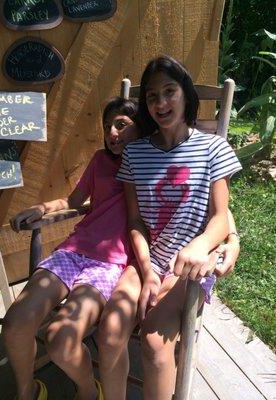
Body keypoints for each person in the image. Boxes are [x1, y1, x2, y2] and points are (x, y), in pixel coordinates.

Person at [116, 55, 242, 400]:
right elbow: (135, 220)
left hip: (191, 266)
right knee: (112, 327)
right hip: (147, 258)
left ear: (186, 94)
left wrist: (201, 245)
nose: (160, 103)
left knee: (155, 343)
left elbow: (220, 217)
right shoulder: (135, 153)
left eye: (169, 91)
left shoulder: (213, 147)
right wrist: (146, 270)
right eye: (152, 96)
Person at [2, 97, 139, 400]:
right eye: (107, 127)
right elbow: (73, 201)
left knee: (61, 339)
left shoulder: (150, 164)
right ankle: (29, 392)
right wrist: (42, 207)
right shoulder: (100, 160)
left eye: (121, 125)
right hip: (73, 250)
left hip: (109, 264)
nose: (112, 133)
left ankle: (89, 391)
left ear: (141, 127)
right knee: (14, 324)